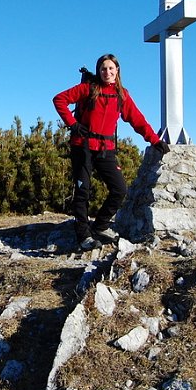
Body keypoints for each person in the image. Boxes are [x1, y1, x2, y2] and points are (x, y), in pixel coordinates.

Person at [53, 53, 170, 250]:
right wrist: (73, 124)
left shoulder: (121, 95)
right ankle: (83, 236)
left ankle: (99, 226)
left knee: (119, 189)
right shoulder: (88, 89)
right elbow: (59, 99)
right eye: (103, 69)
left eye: (111, 68)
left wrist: (155, 140)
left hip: (106, 150)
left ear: (117, 71)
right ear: (98, 71)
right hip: (82, 147)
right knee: (83, 191)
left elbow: (137, 120)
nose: (107, 72)